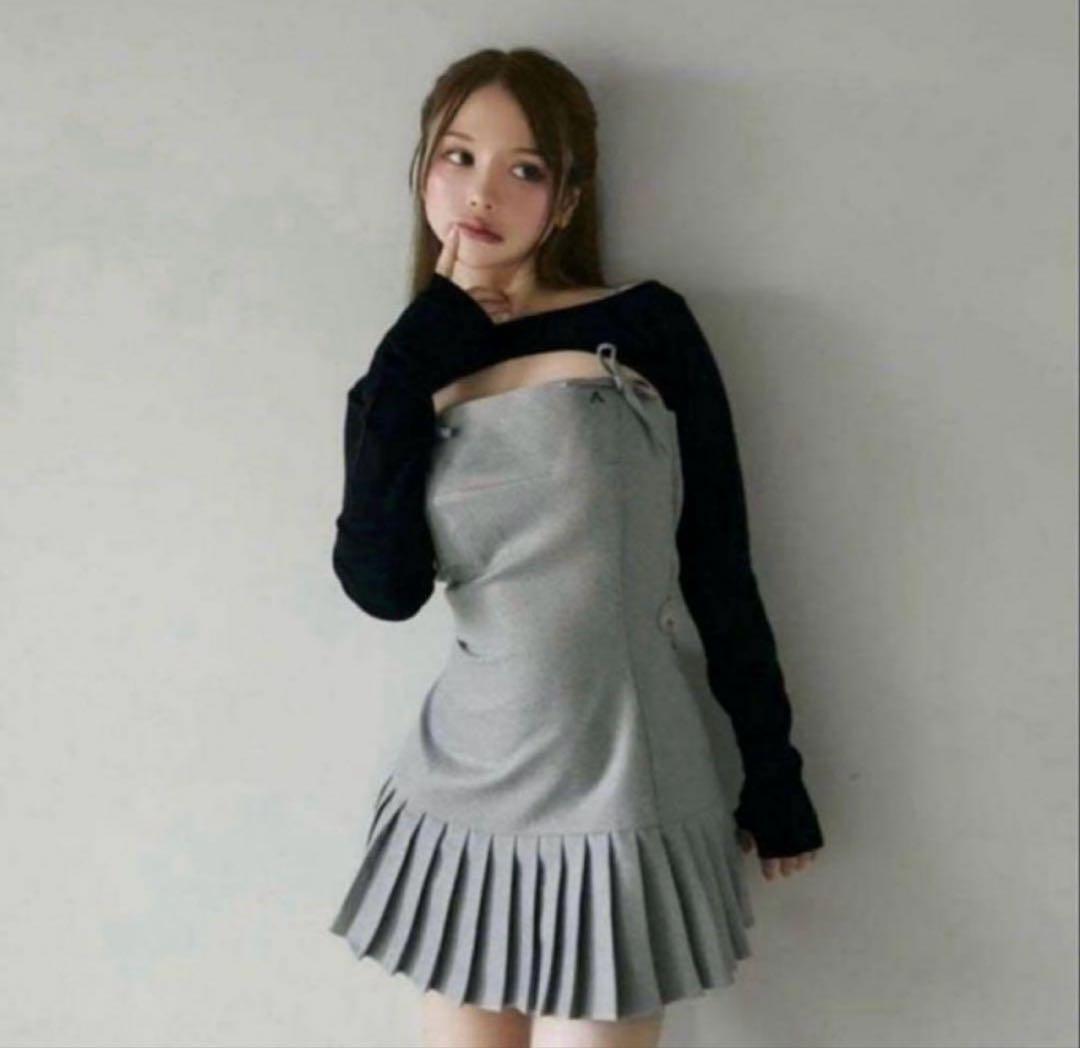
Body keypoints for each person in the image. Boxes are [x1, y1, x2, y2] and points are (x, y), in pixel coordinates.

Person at [327, 47, 824, 1048]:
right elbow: (383, 587)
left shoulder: (645, 323)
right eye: (459, 156)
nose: (483, 192)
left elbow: (718, 560)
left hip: (621, 771)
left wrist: (772, 768)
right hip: (464, 779)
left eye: (525, 168)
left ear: (568, 198)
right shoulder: (401, 370)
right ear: (422, 169)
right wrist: (408, 361)